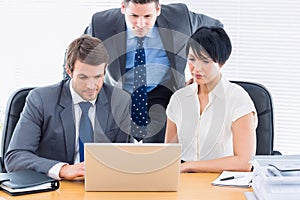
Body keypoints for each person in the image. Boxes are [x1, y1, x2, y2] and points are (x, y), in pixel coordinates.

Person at [77, 0, 224, 143]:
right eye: (134, 16)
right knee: (116, 150)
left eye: (147, 16)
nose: (141, 24)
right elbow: (77, 54)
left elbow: (215, 28)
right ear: (123, 8)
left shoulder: (180, 17)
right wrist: (70, 91)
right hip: (120, 91)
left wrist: (207, 74)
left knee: (159, 150)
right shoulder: (101, 24)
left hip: (161, 89)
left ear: (158, 9)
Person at [5, 35, 131, 180]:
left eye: (98, 77)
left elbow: (123, 157)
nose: (91, 86)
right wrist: (62, 169)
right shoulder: (41, 100)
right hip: (56, 188)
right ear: (69, 71)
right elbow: (15, 157)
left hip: (102, 185)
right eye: (83, 77)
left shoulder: (120, 101)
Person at [165, 26, 258, 173]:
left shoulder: (238, 99)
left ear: (221, 63)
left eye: (205, 61)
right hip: (184, 182)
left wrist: (189, 165)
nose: (196, 69)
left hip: (223, 182)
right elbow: (168, 155)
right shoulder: (179, 99)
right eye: (192, 59)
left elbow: (244, 162)